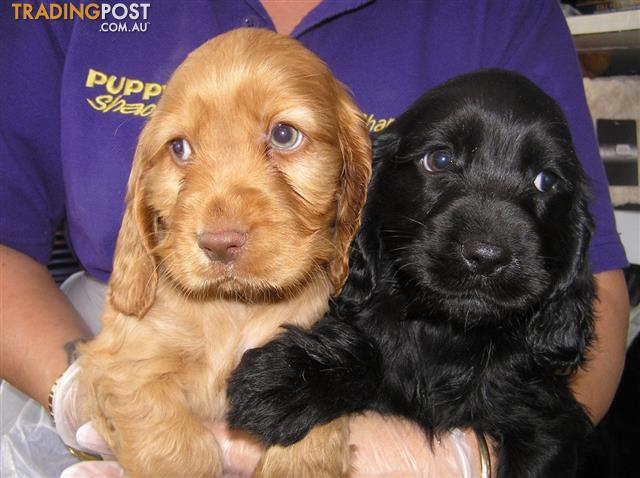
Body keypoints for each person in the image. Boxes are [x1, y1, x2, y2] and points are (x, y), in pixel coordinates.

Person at [0, 0, 629, 476]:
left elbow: (589, 281)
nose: (223, 228)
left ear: (359, 175)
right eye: (181, 148)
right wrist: (81, 393)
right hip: (86, 318)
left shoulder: (506, 12)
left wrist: (474, 459)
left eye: (285, 137)